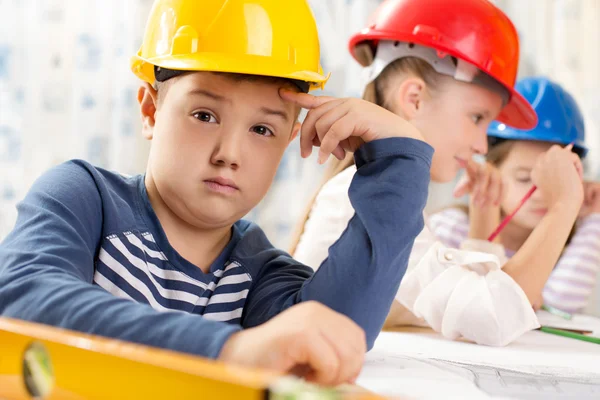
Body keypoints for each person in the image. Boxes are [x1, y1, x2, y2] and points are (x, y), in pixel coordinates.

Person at [0, 0, 433, 385]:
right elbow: (22, 295)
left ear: (287, 142)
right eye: (204, 115)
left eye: (262, 129)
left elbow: (335, 338)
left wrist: (399, 160)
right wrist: (228, 351)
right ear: (151, 111)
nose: (229, 154)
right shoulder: (83, 196)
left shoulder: (262, 273)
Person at [292, 0, 583, 346]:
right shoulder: (370, 200)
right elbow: (492, 316)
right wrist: (564, 205)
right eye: (477, 118)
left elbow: (446, 298)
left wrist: (483, 219)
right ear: (414, 99)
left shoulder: (377, 192)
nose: (481, 145)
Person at [430, 77, 598, 314]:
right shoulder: (452, 228)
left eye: (555, 180)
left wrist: (594, 217)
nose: (541, 194)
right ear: (491, 169)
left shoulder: (569, 240)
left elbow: (559, 309)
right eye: (524, 179)